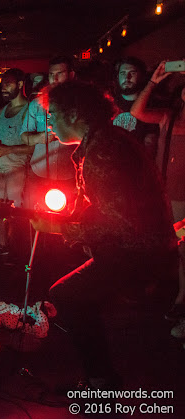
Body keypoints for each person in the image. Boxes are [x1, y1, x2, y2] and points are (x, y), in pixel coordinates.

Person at [30, 80, 177, 389]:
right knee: (69, 285)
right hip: (140, 247)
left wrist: (57, 227)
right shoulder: (104, 142)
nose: (50, 122)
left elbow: (121, 225)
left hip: (141, 253)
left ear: (73, 114)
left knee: (65, 294)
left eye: (53, 113)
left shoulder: (103, 151)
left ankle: (103, 379)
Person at [130, 60, 185, 331]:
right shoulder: (168, 117)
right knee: (171, 247)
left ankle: (180, 298)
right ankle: (172, 294)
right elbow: (136, 111)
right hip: (167, 193)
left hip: (182, 196)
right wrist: (154, 81)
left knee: (182, 249)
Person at [0, 68, 33, 255]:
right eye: (2, 84)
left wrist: (7, 150)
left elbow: (32, 147)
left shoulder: (29, 110)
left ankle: (16, 251)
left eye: (8, 83)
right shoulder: (3, 110)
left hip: (17, 169)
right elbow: (1, 141)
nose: (3, 87)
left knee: (14, 212)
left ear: (20, 85)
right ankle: (2, 247)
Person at [20, 56, 78, 209]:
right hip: (39, 172)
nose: (55, 79)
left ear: (71, 75)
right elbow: (24, 136)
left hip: (69, 174)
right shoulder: (36, 104)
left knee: (67, 221)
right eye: (52, 74)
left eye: (60, 73)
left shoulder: (80, 103)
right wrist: (41, 137)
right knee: (35, 216)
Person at [111, 57, 159, 157]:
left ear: (141, 76)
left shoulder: (150, 105)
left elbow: (150, 142)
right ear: (117, 77)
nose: (127, 78)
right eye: (122, 73)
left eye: (132, 73)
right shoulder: (109, 102)